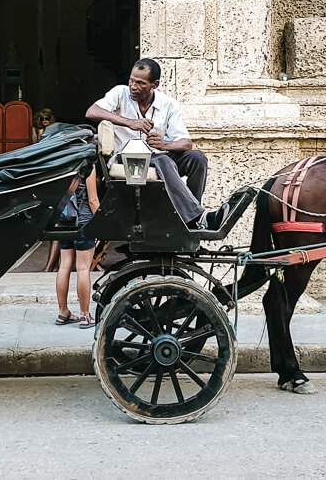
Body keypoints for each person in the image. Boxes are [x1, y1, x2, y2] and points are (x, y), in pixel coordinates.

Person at [85, 58, 217, 229]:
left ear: (154, 84)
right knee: (163, 160)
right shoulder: (120, 93)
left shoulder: (168, 104)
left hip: (158, 155)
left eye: (140, 83)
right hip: (125, 159)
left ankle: (191, 219)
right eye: (131, 80)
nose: (133, 86)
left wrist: (165, 145)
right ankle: (199, 217)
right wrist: (129, 122)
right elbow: (92, 112)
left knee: (197, 158)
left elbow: (186, 143)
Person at [55, 169, 100, 328]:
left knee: (64, 265)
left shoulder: (64, 162)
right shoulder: (88, 166)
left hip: (65, 220)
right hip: (83, 221)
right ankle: (85, 315)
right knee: (83, 268)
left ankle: (63, 312)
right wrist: (101, 224)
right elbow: (93, 200)